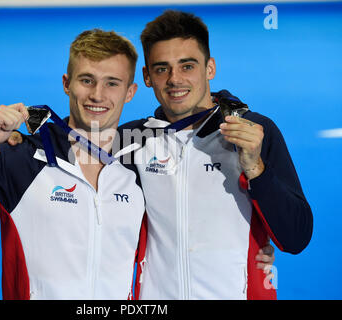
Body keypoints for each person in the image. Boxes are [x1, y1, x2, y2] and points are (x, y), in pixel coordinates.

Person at [0, 29, 145, 300]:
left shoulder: (142, 164)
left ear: (130, 92)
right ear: (67, 83)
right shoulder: (18, 157)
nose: (97, 95)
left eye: (112, 83)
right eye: (87, 80)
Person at [118, 10, 313, 299]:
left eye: (187, 66)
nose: (174, 80)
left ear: (210, 68)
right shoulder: (131, 140)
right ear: (147, 76)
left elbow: (296, 236)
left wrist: (256, 169)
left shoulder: (255, 131)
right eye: (161, 69)